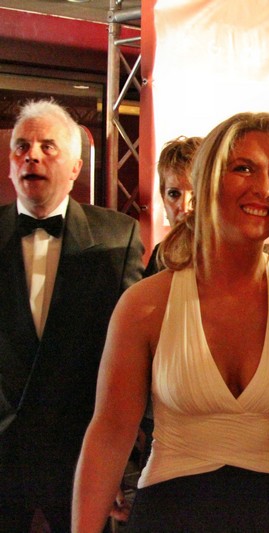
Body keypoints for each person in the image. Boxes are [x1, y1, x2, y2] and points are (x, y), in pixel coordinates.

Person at [72, 112, 269, 532]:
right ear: (208, 179)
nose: (264, 188)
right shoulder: (145, 305)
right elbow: (109, 435)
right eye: (244, 168)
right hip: (169, 520)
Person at [0, 99, 144, 532]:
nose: (32, 156)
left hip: (81, 453)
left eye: (48, 146)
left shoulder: (117, 236)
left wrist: (121, 460)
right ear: (10, 165)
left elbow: (130, 359)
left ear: (76, 168)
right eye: (22, 147)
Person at [144, 135, 202, 276]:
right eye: (174, 194)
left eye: (195, 194)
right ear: (163, 197)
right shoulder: (160, 256)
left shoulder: (237, 258)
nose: (185, 207)